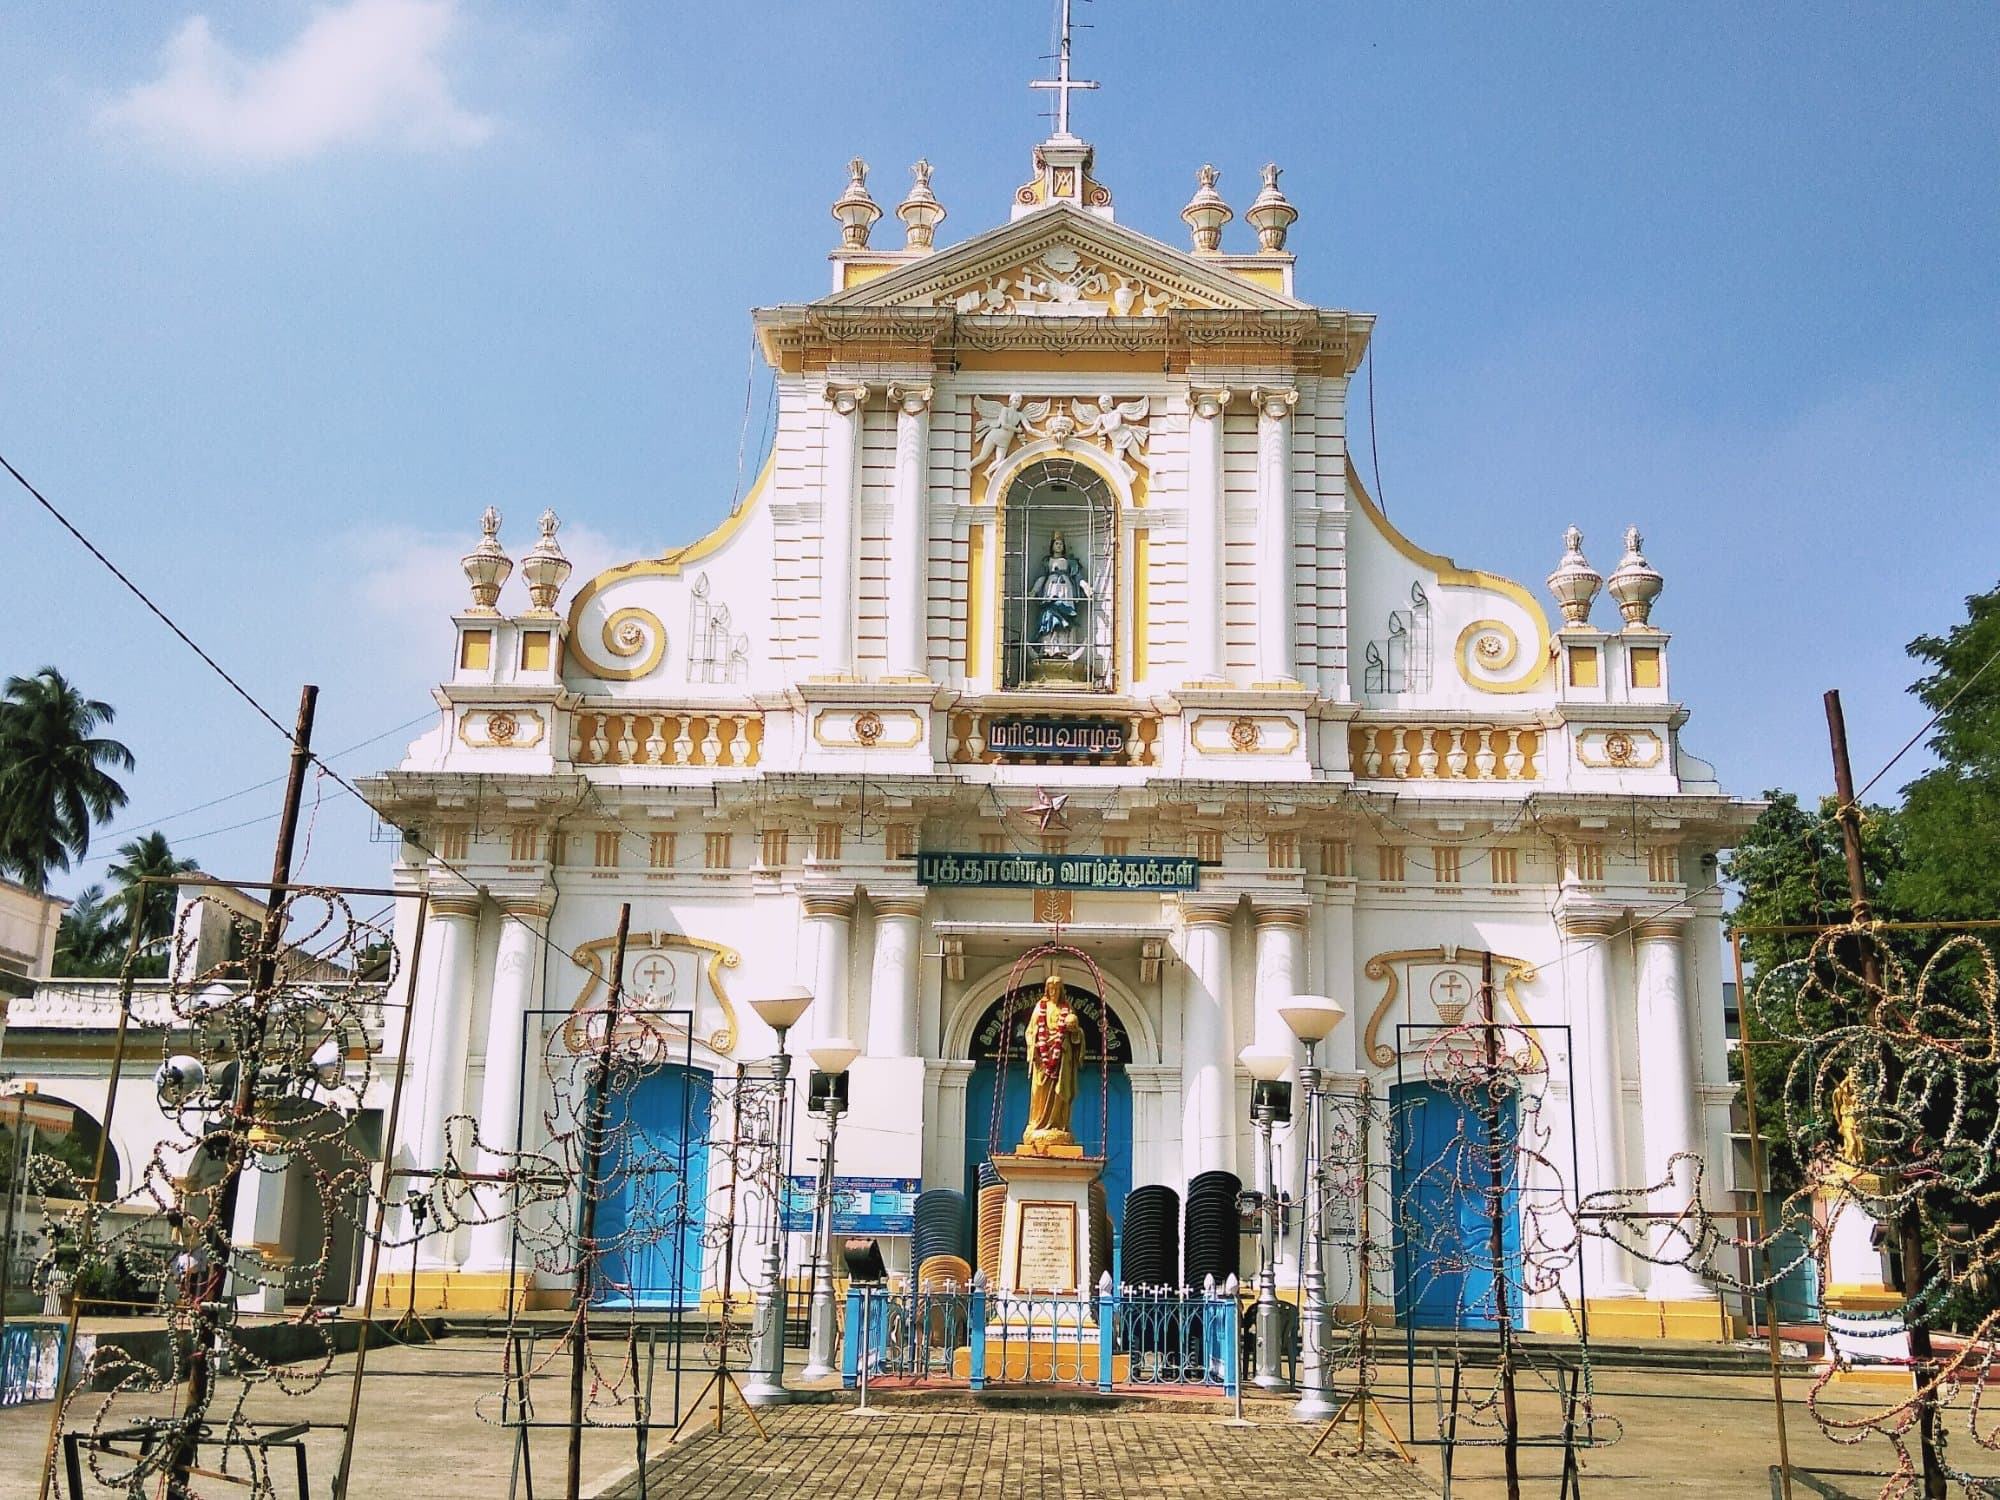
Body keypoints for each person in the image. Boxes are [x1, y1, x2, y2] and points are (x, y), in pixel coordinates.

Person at [1022, 974, 1085, 1151]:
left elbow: (1077, 1035)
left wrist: (1074, 1031)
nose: (1054, 992)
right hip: (1042, 1059)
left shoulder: (1067, 1009)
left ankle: (1058, 1125)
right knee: (1039, 1090)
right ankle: (1038, 1124)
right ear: (1047, 990)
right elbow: (1030, 1031)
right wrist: (1034, 1046)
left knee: (1060, 1093)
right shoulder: (1040, 1008)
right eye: (1051, 988)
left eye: (1057, 989)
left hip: (1062, 1057)